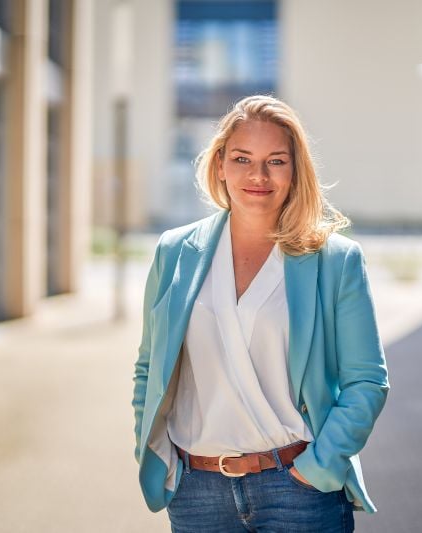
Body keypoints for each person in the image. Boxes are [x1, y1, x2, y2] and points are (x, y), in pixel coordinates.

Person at [132, 95, 389, 532]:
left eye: (276, 161)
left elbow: (366, 381)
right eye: (241, 158)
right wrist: (155, 452)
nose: (258, 175)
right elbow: (148, 367)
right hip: (197, 494)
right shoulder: (174, 252)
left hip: (300, 492)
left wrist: (318, 467)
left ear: (295, 171)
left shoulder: (335, 261)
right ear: (219, 166)